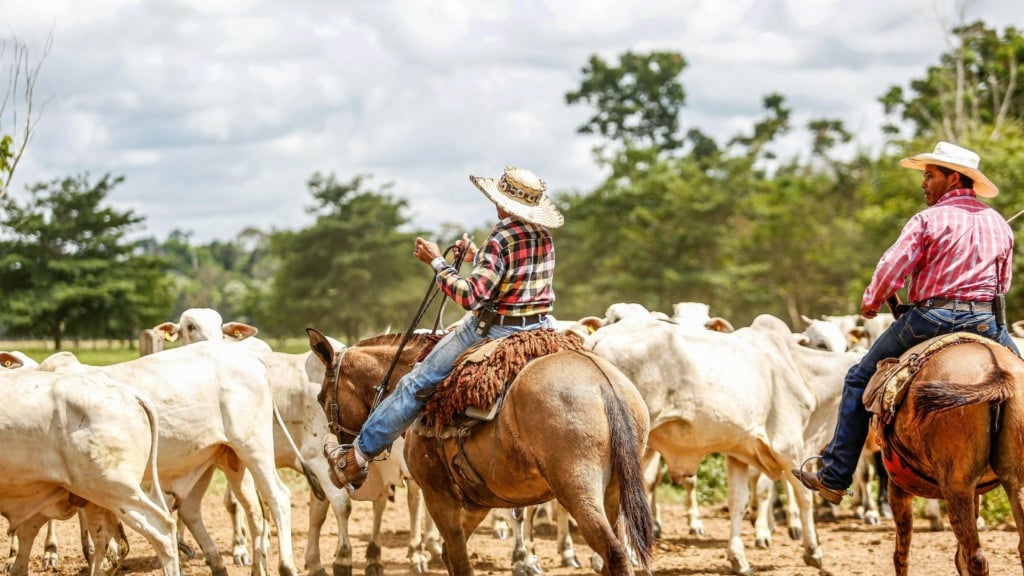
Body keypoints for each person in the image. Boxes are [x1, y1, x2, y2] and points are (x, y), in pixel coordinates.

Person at [793, 141, 1020, 504]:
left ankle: (835, 476)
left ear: (954, 178)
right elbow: (1003, 284)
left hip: (930, 319)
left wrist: (870, 302)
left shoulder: (927, 220)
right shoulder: (999, 224)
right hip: (984, 323)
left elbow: (891, 270)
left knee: (857, 378)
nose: (924, 183)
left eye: (930, 176)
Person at [323, 166, 563, 489]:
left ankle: (357, 457)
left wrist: (438, 262)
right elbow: (511, 278)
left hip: (496, 330)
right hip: (541, 327)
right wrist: (475, 258)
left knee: (415, 382)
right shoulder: (543, 236)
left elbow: (471, 296)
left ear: (502, 203)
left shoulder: (501, 237)